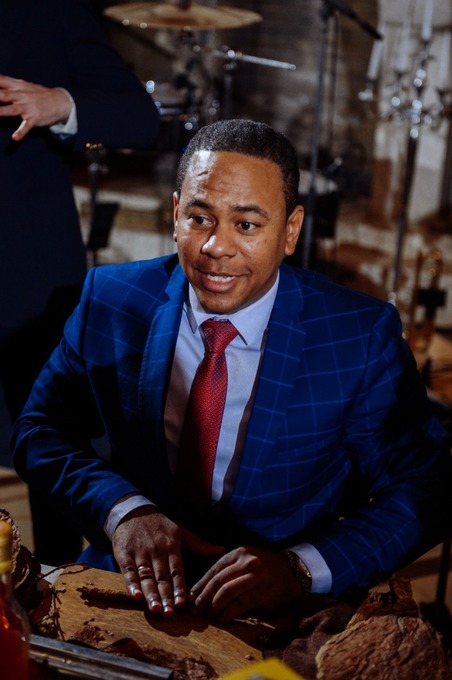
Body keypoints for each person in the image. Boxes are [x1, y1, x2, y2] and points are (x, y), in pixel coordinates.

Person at [12, 119, 452, 623]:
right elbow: (40, 431)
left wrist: (302, 568)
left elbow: (430, 485)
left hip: (283, 609)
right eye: (200, 218)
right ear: (175, 214)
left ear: (290, 231)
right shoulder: (111, 299)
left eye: (246, 225)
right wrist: (124, 510)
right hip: (129, 579)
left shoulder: (359, 335)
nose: (216, 247)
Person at [0, 0, 160, 565]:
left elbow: (141, 116)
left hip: (27, 263)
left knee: (49, 434)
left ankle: (58, 582)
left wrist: (61, 104)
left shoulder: (49, 10)